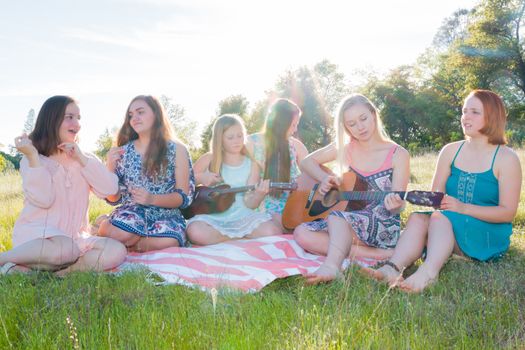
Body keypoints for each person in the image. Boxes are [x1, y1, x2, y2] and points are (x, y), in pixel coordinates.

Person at [361, 89, 522, 292]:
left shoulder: (506, 158)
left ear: (492, 115)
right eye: (464, 111)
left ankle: (428, 273)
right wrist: (402, 200)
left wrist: (462, 208)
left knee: (438, 219)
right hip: (448, 224)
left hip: (486, 232)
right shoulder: (450, 151)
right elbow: (435, 199)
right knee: (420, 219)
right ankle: (392, 268)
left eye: (474, 112)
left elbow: (508, 212)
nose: (465, 117)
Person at [0, 95, 127, 275]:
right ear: (51, 119)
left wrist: (81, 159)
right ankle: (4, 259)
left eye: (78, 118)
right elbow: (43, 199)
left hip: (76, 239)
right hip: (39, 239)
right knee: (64, 250)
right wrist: (33, 157)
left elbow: (110, 190)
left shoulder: (85, 158)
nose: (77, 124)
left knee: (116, 251)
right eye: (69, 117)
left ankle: (56, 274)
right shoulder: (34, 159)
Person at [293, 94, 410, 284]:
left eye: (363, 119)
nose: (360, 127)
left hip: (382, 225)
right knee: (301, 233)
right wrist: (325, 179)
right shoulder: (346, 147)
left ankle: (331, 267)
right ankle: (381, 255)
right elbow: (307, 162)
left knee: (335, 218)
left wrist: (395, 204)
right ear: (346, 127)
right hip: (349, 219)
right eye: (352, 124)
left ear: (373, 114)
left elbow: (397, 206)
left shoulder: (398, 154)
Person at [97, 95, 194, 252]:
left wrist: (152, 198)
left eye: (140, 112)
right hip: (131, 214)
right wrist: (110, 167)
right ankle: (104, 226)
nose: (134, 118)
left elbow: (183, 198)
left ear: (156, 114)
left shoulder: (178, 149)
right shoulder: (124, 151)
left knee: (170, 241)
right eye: (131, 115)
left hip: (165, 214)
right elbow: (113, 198)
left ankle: (131, 243)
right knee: (126, 232)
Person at [186, 114, 281, 245]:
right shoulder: (209, 159)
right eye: (230, 137)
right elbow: (186, 183)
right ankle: (239, 237)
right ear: (220, 139)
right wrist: (202, 177)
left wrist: (259, 195)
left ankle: (225, 238)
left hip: (243, 216)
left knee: (272, 231)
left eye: (240, 135)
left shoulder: (252, 164)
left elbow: (250, 204)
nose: (237, 140)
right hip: (213, 217)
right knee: (195, 231)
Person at [247, 98, 308, 228]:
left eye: (297, 124)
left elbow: (309, 177)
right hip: (262, 205)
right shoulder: (252, 143)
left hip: (294, 205)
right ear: (281, 124)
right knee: (276, 224)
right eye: (293, 125)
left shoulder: (296, 146)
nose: (295, 130)